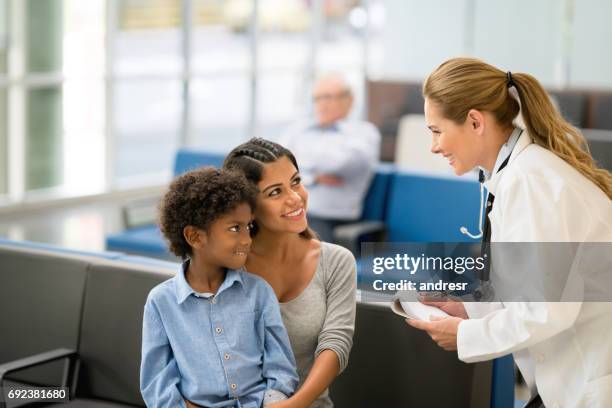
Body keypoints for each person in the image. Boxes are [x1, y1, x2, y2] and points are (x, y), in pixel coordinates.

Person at [405, 58, 612, 407]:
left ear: (474, 121)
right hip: (572, 373)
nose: (434, 146)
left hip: (591, 377)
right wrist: (467, 312)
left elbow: (548, 308)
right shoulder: (516, 173)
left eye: (436, 131)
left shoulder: (531, 181)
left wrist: (467, 335)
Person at [140, 167, 299, 408]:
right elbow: (157, 382)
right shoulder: (161, 302)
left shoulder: (259, 292)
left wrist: (273, 402)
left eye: (249, 227)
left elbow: (281, 367)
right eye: (235, 228)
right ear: (195, 237)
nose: (246, 239)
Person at [224, 138, 356, 408]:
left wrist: (293, 405)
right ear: (246, 208)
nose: (295, 198)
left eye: (296, 181)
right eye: (275, 192)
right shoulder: (225, 264)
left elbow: (336, 343)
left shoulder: (336, 261)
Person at [278, 74, 381, 242]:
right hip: (289, 210)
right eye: (317, 98)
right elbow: (276, 163)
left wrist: (299, 160)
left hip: (330, 219)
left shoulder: (363, 132)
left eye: (328, 97)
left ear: (349, 100)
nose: (322, 104)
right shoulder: (299, 129)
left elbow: (338, 164)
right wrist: (313, 177)